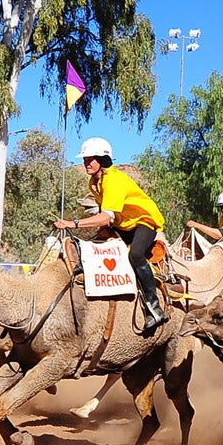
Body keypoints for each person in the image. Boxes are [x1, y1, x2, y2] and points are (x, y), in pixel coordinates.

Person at [53, 137, 168, 331]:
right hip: (122, 224)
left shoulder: (114, 180)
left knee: (136, 255)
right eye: (85, 159)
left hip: (143, 222)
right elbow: (106, 213)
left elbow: (105, 217)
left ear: (102, 160)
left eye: (90, 159)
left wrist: (72, 223)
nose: (85, 163)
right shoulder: (94, 182)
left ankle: (154, 307)